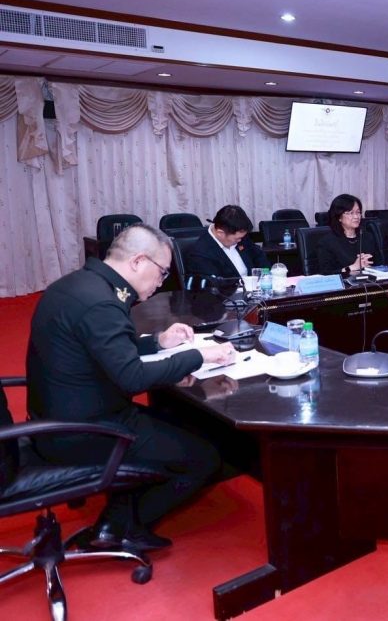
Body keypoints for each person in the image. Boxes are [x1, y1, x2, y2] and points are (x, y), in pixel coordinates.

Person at [26, 224, 236, 551]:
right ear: (138, 261)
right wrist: (198, 356)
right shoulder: (102, 303)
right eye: (162, 273)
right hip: (84, 430)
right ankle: (123, 528)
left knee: (176, 424)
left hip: (56, 415)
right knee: (205, 458)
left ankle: (120, 513)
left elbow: (104, 346)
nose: (161, 282)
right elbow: (132, 378)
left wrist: (158, 342)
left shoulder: (79, 285)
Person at [184, 205, 268, 280]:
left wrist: (266, 277)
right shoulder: (200, 254)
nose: (240, 241)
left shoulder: (240, 236)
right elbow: (214, 285)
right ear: (220, 233)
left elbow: (259, 257)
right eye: (237, 238)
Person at [317, 194, 381, 276]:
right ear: (339, 217)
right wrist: (353, 267)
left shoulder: (367, 237)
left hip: (369, 282)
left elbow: (380, 265)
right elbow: (326, 274)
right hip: (343, 283)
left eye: (358, 212)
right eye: (350, 213)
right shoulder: (327, 243)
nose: (356, 216)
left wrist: (369, 265)